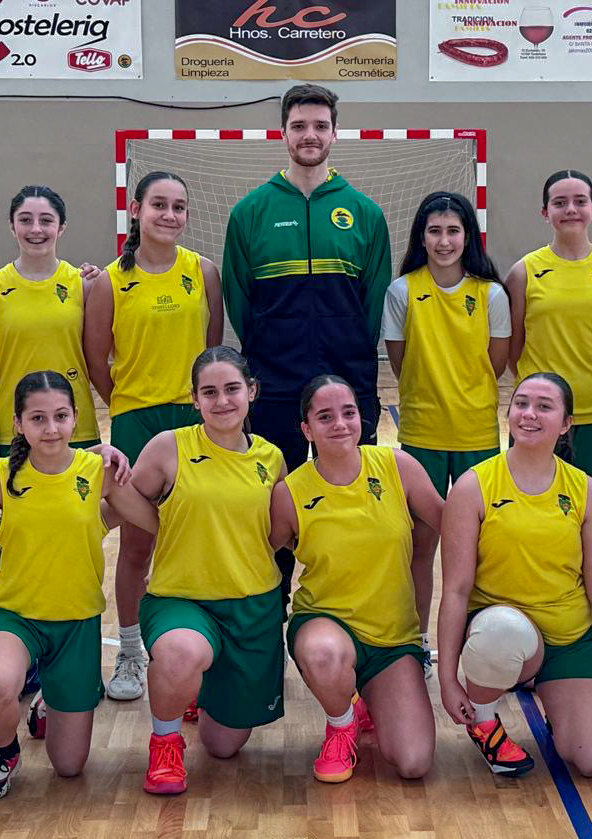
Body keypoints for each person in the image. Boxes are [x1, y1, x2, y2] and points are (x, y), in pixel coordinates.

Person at [0, 372, 151, 802]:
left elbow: (150, 520)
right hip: (12, 615)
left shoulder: (100, 472)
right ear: (18, 423)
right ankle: (3, 752)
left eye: (60, 416)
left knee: (69, 767)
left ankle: (48, 702)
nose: (51, 428)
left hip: (76, 621)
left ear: (76, 419)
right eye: (37, 418)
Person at [222, 83, 393, 607]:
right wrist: (270, 354)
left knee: (354, 499)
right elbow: (239, 297)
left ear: (335, 133)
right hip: (273, 381)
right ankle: (268, 614)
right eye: (300, 126)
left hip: (349, 379)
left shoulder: (364, 213)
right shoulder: (250, 212)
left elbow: (374, 298)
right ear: (283, 132)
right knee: (270, 498)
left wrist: (352, 360)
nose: (310, 135)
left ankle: (353, 605)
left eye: (320, 126)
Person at [437, 373, 592, 779]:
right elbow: (455, 591)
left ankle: (554, 694)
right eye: (521, 403)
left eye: (544, 406)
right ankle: (486, 720)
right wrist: (447, 677)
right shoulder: (474, 487)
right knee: (502, 633)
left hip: (569, 637)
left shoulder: (588, 492)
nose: (529, 414)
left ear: (565, 423)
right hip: (501, 630)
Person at [83, 171, 223, 703]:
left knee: (195, 537)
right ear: (136, 210)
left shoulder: (203, 272)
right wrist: (128, 401)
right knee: (137, 543)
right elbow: (96, 358)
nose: (170, 215)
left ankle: (202, 647)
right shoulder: (108, 282)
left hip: (195, 422)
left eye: (179, 207)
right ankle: (130, 651)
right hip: (136, 421)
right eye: (159, 205)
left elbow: (212, 353)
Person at [270, 374, 442, 783]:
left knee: (414, 762)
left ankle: (364, 699)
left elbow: (452, 521)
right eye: (325, 416)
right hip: (326, 623)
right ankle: (340, 723)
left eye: (348, 412)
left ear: (362, 417)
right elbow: (258, 558)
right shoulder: (291, 492)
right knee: (326, 655)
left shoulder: (397, 467)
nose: (341, 424)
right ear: (307, 429)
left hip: (392, 639)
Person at [129, 346, 286, 795]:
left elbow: (279, 534)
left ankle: (198, 692)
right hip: (182, 598)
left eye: (232, 389)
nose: (222, 401)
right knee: (180, 653)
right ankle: (164, 742)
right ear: (194, 399)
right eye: (209, 392)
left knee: (223, 746)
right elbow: (124, 502)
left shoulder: (272, 459)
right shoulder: (168, 447)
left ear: (252, 392)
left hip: (252, 604)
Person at [384, 191, 509, 661]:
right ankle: (416, 641)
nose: (443, 240)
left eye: (453, 230)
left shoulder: (491, 293)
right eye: (434, 231)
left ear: (468, 237)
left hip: (477, 434)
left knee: (483, 549)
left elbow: (495, 363)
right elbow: (401, 363)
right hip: (421, 435)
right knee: (421, 545)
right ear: (421, 236)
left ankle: (486, 643)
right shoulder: (402, 292)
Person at [508, 170, 592, 502]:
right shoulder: (524, 272)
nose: (570, 210)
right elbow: (514, 347)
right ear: (545, 212)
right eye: (559, 202)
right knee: (532, 511)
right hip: (539, 416)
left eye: (580, 201)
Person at [0, 187, 101, 456]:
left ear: (61, 227)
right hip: (13, 423)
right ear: (12, 226)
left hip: (74, 423)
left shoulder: (85, 284)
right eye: (25, 220)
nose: (35, 229)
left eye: (46, 220)